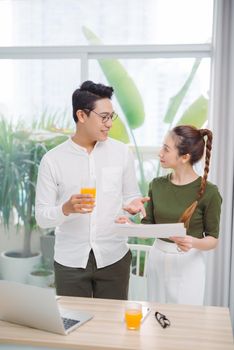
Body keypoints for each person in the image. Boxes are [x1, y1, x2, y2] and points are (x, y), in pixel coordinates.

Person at [35, 80, 148, 300]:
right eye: (103, 117)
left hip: (114, 257)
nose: (109, 124)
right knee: (74, 325)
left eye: (111, 117)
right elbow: (42, 217)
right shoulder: (52, 160)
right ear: (82, 115)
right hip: (70, 262)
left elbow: (130, 196)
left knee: (112, 327)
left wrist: (132, 206)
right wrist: (65, 209)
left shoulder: (121, 153)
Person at [142, 125, 222, 305]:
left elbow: (213, 239)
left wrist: (193, 242)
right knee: (156, 317)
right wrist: (131, 221)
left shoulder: (210, 193)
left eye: (166, 149)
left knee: (185, 322)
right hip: (157, 260)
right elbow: (148, 226)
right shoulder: (156, 185)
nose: (159, 153)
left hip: (188, 264)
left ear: (184, 157)